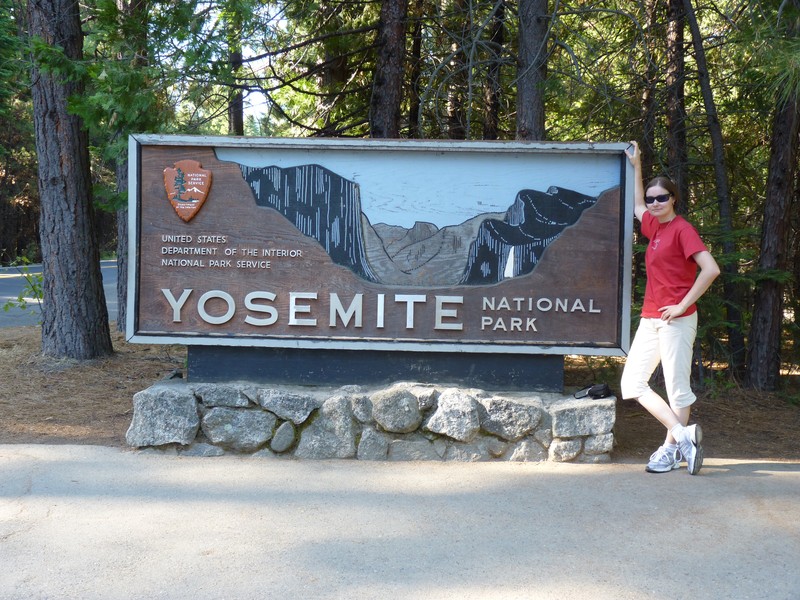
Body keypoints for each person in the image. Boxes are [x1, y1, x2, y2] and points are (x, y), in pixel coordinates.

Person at [621, 141, 720, 475]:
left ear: (673, 199)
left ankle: (670, 450)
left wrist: (682, 305)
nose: (654, 203)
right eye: (652, 199)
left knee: (677, 390)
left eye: (662, 198)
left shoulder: (682, 230)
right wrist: (637, 165)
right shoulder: (654, 226)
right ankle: (683, 435)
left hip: (677, 320)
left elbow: (711, 269)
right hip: (651, 318)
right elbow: (637, 205)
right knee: (632, 383)